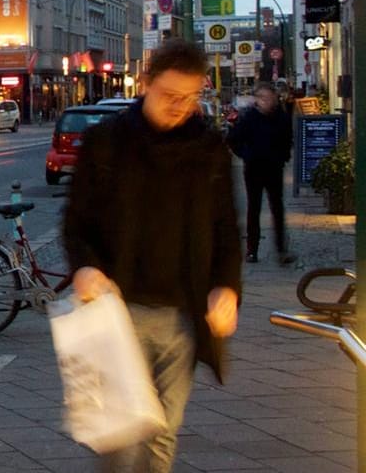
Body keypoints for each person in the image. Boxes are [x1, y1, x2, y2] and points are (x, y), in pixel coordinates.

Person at [62, 40, 241, 473]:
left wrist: (227, 288)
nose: (180, 107)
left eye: (190, 97)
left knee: (164, 431)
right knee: (121, 440)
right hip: (117, 313)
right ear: (146, 84)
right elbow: (75, 221)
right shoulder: (106, 142)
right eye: (169, 96)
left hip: (183, 315)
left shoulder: (209, 148)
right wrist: (85, 267)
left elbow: (225, 228)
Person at [227, 82, 295, 265]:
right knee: (253, 209)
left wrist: (284, 156)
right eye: (261, 98)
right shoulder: (249, 118)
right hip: (254, 168)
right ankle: (252, 250)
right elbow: (233, 139)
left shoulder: (281, 117)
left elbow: (288, 138)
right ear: (256, 100)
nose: (265, 101)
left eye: (268, 97)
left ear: (274, 98)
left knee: (277, 208)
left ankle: (281, 249)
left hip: (274, 167)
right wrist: (246, 155)